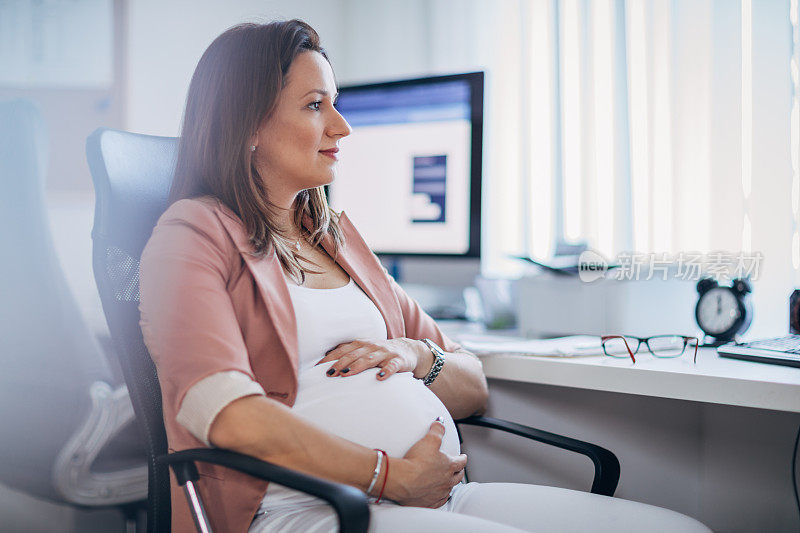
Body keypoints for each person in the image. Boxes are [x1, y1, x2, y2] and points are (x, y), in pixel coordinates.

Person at [138, 19, 712, 533]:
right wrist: (388, 476)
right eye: (316, 105)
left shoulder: (333, 237)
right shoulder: (192, 236)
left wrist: (415, 355)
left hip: (431, 500)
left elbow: (471, 385)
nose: (342, 126)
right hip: (306, 510)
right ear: (249, 125)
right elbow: (226, 414)